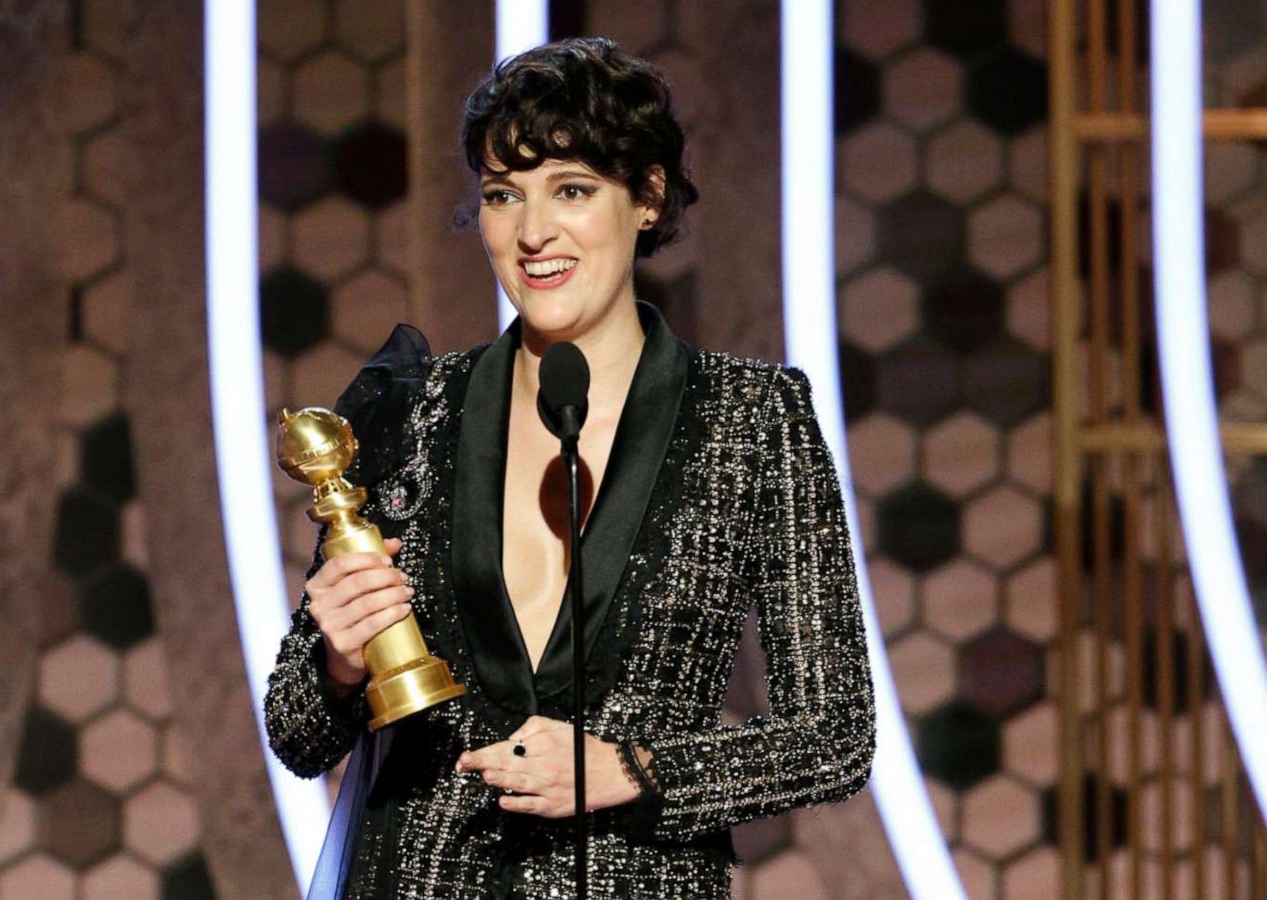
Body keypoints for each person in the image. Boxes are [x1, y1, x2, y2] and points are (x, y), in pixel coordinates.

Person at [264, 36, 875, 899]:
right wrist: (336, 661)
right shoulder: (422, 410)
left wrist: (632, 767)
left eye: (573, 190)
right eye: (503, 196)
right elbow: (296, 735)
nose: (532, 231)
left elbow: (834, 737)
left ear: (648, 198)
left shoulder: (751, 419)